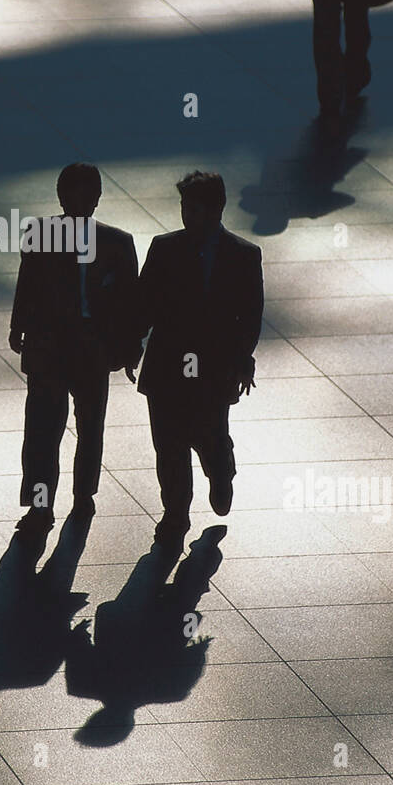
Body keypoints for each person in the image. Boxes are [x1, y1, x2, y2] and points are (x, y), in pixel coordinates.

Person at [9, 163, 139, 544]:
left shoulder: (117, 243)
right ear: (62, 198)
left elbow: (130, 302)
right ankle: (40, 505)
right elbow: (27, 284)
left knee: (89, 428)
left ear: (98, 198)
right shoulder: (40, 235)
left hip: (91, 347)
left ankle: (83, 496)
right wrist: (19, 326)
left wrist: (129, 348)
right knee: (42, 431)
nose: (83, 202)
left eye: (89, 194)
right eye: (75, 194)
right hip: (50, 347)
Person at [136, 172, 263, 552]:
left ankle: (220, 468)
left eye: (193, 208)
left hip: (213, 367)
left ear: (214, 209)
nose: (186, 216)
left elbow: (250, 315)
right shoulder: (164, 248)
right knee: (169, 444)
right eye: (184, 208)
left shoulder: (243, 255)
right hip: (166, 364)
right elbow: (145, 303)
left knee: (207, 434)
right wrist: (130, 345)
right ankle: (176, 514)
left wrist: (242, 359)